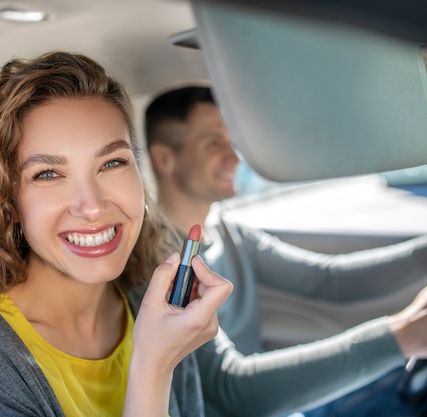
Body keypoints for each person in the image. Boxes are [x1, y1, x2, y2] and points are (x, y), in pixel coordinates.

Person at [0, 51, 427, 417]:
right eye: (47, 174)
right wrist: (152, 363)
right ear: (4, 197)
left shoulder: (148, 288)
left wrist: (403, 336)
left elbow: (230, 391)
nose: (92, 205)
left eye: (112, 163)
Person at [144, 85, 427, 416]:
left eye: (232, 140)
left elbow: (327, 281)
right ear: (165, 158)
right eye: (213, 143)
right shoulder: (159, 267)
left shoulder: (226, 229)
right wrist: (399, 336)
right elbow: (230, 390)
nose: (235, 156)